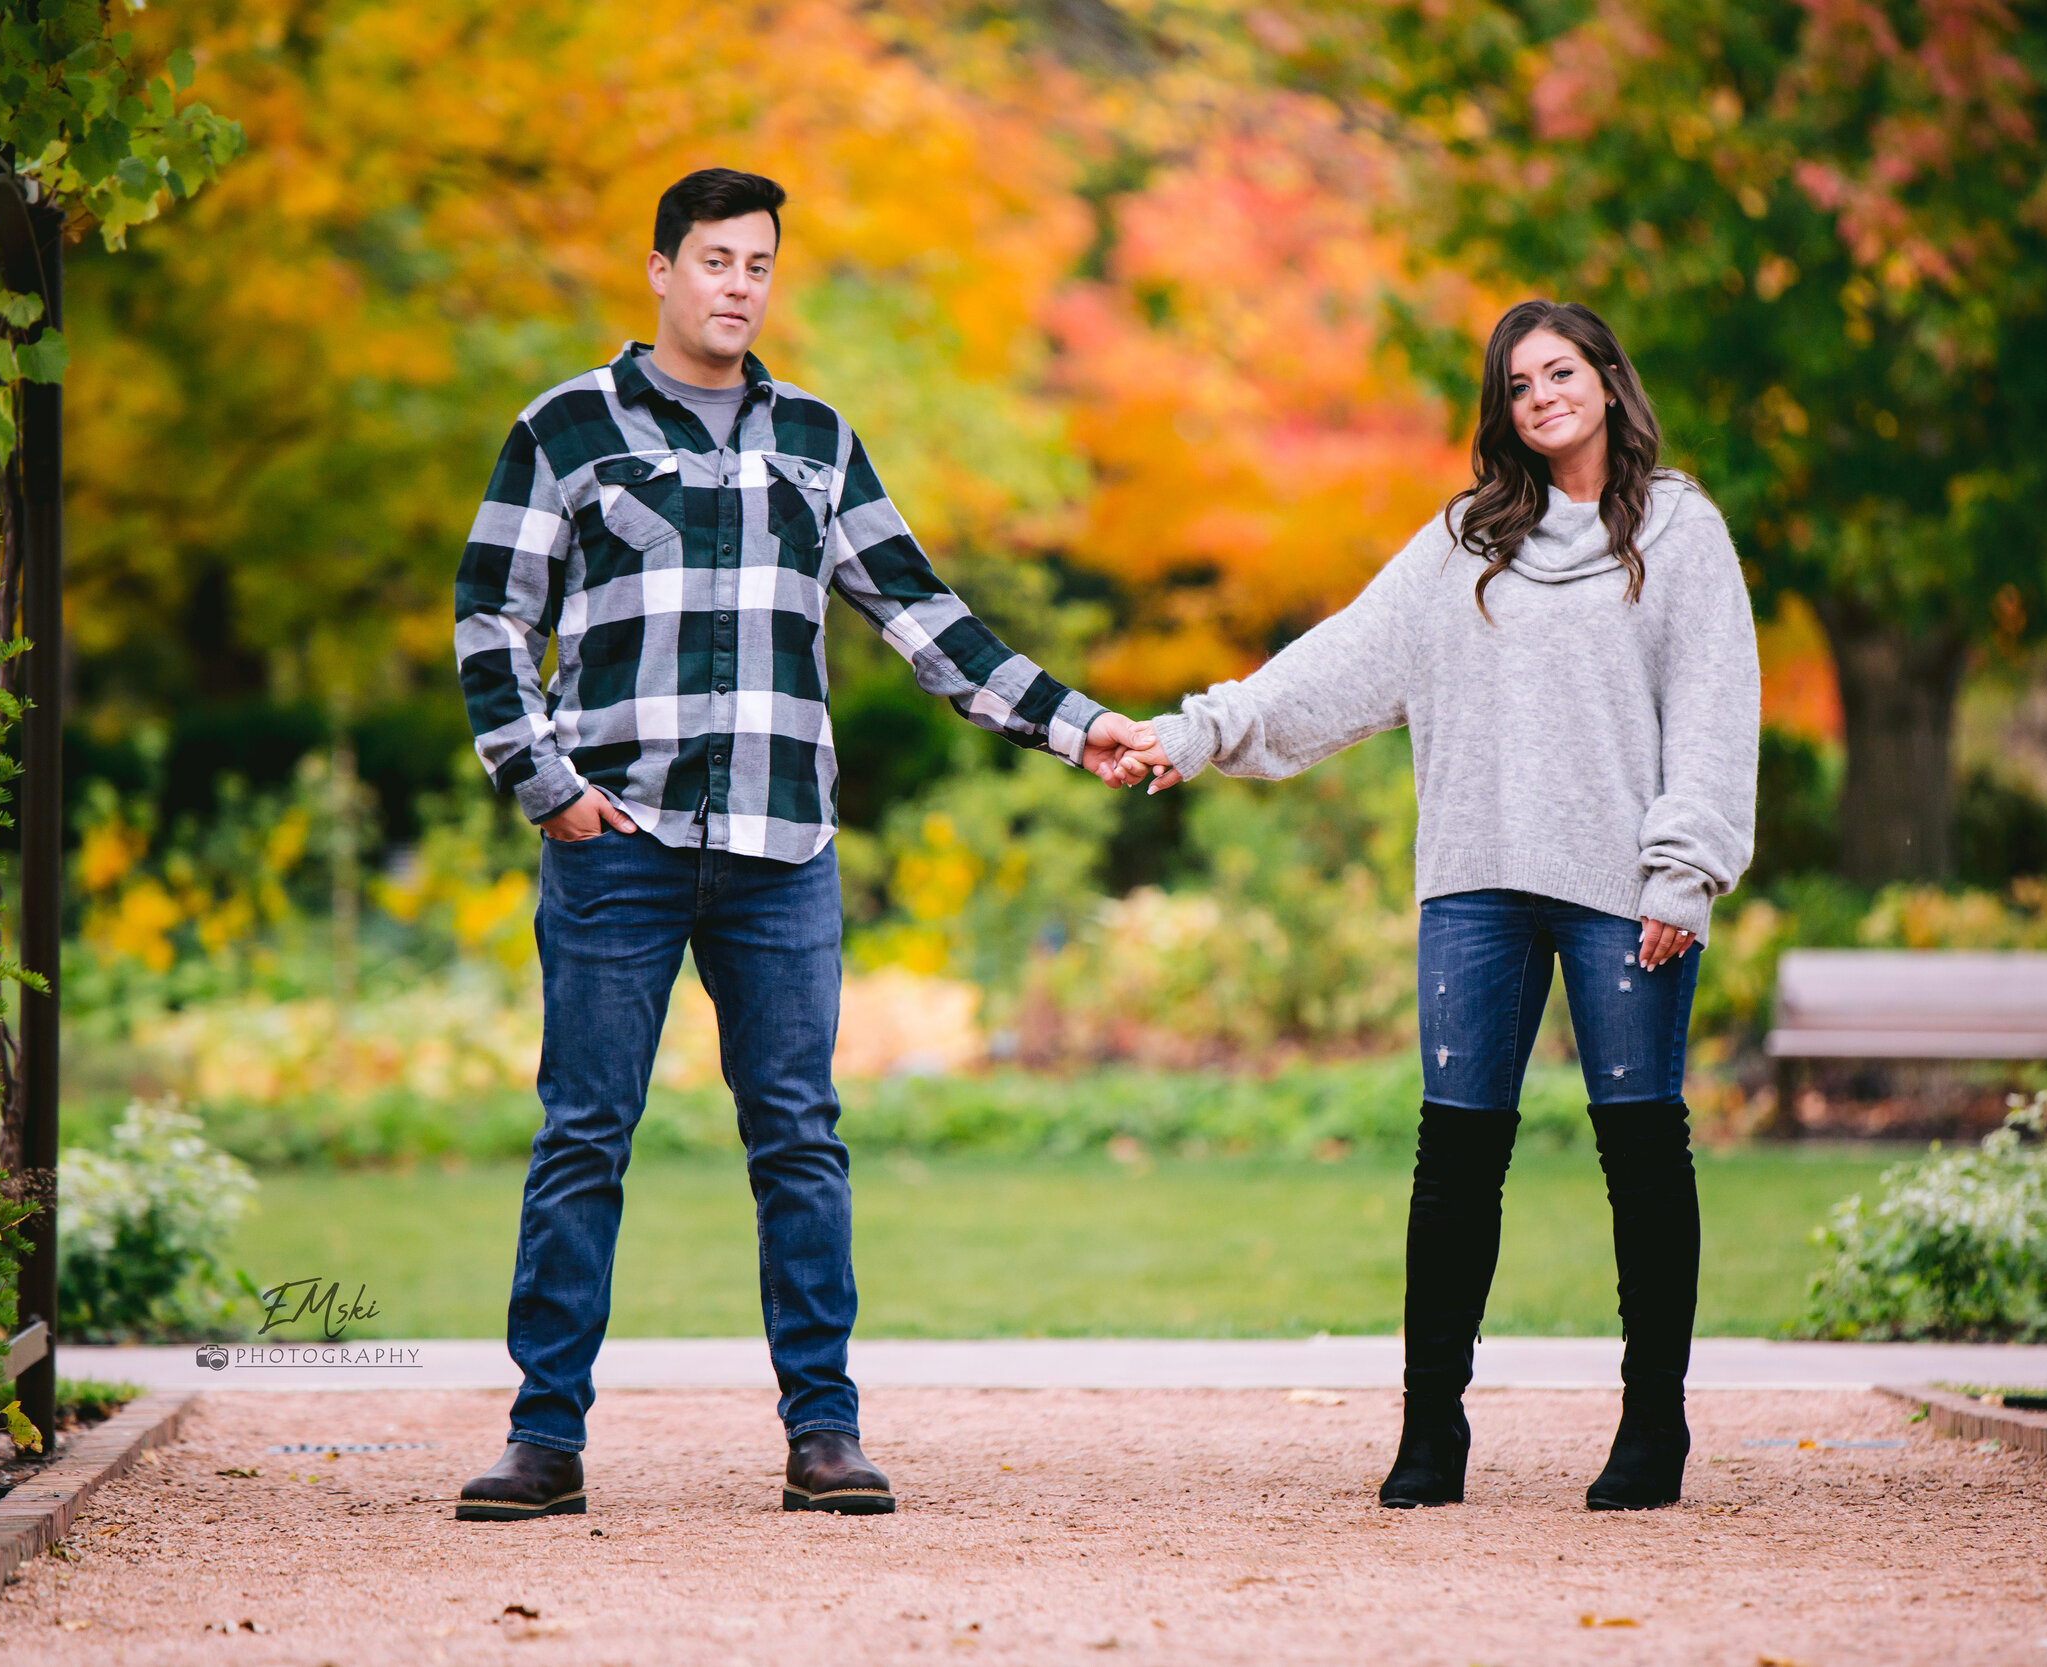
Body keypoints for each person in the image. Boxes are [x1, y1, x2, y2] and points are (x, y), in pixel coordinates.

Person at [450, 167, 1150, 1522]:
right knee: (585, 1130)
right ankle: (545, 1438)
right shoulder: (564, 427)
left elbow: (924, 615)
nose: (736, 285)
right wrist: (549, 788)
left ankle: (824, 1432)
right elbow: (492, 614)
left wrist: (1076, 726)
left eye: (758, 264)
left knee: (799, 1136)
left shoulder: (818, 439)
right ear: (660, 269)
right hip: (619, 837)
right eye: (714, 259)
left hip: (782, 846)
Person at [1115, 300, 1759, 1511]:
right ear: (1501, 411)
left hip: (1623, 892)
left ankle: (1652, 1424)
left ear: (1609, 382)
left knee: (1640, 1147)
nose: (1541, 398)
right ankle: (1430, 1427)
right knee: (1455, 1155)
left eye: (1559, 373)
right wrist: (1198, 729)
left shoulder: (1677, 530)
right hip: (1474, 883)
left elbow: (1714, 706)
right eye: (1517, 387)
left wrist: (1685, 866)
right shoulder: (1467, 540)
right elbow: (1341, 659)